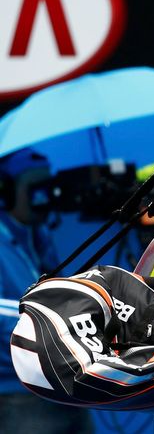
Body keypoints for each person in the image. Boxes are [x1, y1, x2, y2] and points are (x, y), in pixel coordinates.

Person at [0, 149, 94, 433]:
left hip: (62, 384)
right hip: (18, 393)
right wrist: (51, 340)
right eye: (33, 188)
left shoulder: (38, 236)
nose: (43, 198)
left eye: (46, 187)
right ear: (8, 192)